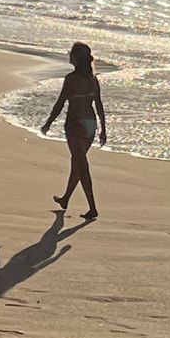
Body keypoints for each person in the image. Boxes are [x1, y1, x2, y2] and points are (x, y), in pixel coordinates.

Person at [40, 41, 106, 219]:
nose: (69, 55)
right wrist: (103, 129)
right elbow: (99, 105)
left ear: (76, 58)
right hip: (90, 124)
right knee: (78, 162)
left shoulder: (71, 79)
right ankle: (65, 199)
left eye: (71, 53)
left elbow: (60, 103)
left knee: (81, 166)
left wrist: (48, 123)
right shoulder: (93, 79)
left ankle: (92, 208)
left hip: (75, 124)